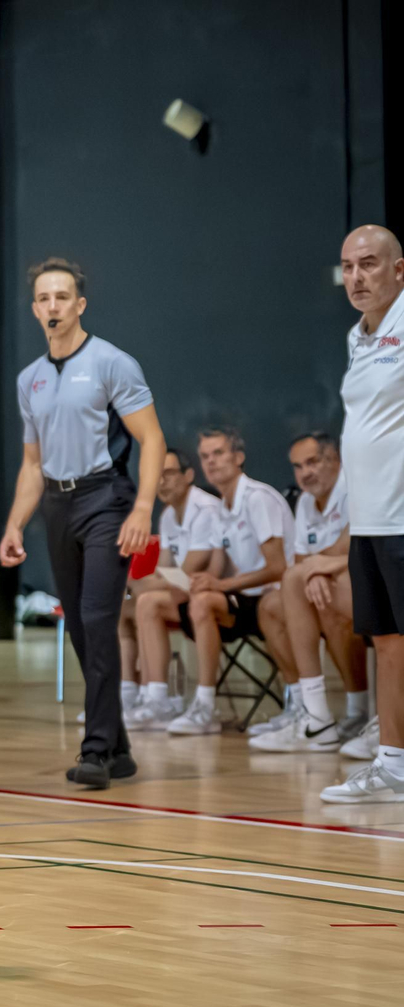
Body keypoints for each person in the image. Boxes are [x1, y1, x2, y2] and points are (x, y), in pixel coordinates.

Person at [0, 258, 165, 787]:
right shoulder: (30, 379)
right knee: (80, 626)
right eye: (44, 298)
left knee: (97, 619)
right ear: (35, 308)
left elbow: (153, 440)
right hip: (56, 503)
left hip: (106, 500)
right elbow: (32, 462)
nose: (53, 306)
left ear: (80, 305)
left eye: (63, 297)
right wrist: (14, 525)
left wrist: (142, 507)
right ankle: (117, 746)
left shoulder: (113, 363)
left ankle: (94, 751)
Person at [322, 224, 404, 802]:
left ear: (398, 270)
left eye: (370, 264)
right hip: (370, 521)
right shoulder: (359, 337)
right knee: (388, 643)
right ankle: (394, 764)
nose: (357, 276)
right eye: (349, 266)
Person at [164, 429, 296, 736]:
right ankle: (164, 699)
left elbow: (278, 568)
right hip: (245, 597)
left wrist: (220, 586)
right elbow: (216, 566)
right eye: (206, 456)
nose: (212, 462)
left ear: (238, 457)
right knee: (194, 599)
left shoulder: (257, 498)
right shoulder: (222, 507)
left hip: (275, 596)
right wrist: (203, 581)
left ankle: (205, 706)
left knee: (204, 601)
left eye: (219, 453)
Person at [249, 433, 369, 751]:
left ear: (336, 460)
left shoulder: (356, 487)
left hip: (365, 583)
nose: (305, 473)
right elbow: (302, 560)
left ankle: (347, 713)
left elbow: (356, 550)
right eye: (298, 466)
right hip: (330, 580)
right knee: (271, 605)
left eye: (312, 462)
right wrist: (314, 570)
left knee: (310, 590)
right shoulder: (304, 501)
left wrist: (317, 568)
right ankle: (305, 708)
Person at [125, 449, 225, 728]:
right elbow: (165, 567)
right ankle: (140, 695)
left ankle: (167, 699)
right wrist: (142, 585)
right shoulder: (169, 515)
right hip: (184, 591)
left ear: (189, 475)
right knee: (129, 603)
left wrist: (144, 585)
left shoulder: (205, 508)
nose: (161, 482)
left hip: (216, 593)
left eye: (168, 474)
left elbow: (189, 570)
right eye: (155, 476)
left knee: (146, 600)